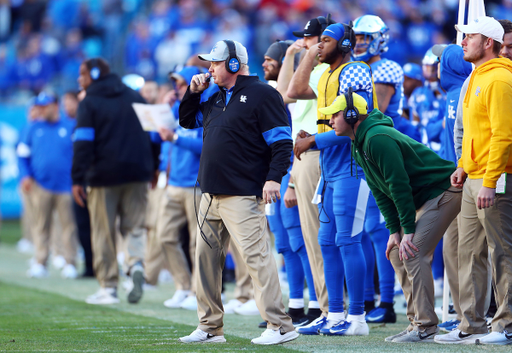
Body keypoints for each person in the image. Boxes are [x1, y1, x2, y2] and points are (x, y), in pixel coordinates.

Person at [177, 40, 298, 345]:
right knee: (204, 262)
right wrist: (193, 93)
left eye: (215, 64)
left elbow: (282, 143)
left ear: (233, 64)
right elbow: (187, 120)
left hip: (243, 194)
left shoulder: (263, 95)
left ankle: (280, 326)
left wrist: (274, 178)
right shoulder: (215, 97)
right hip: (210, 195)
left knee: (257, 260)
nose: (210, 69)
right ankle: (209, 327)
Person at [324, 90, 460, 343]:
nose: (330, 120)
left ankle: (426, 327)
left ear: (353, 115)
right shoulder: (359, 142)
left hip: (445, 189)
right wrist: (394, 231)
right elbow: (379, 190)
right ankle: (416, 321)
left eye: (335, 114)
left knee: (412, 251)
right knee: (398, 252)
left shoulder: (377, 138)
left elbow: (399, 186)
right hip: (428, 196)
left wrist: (408, 230)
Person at [291, 22, 376, 336]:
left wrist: (313, 141)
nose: (318, 46)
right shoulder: (325, 74)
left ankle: (357, 319)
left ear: (344, 44)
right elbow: (328, 120)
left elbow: (356, 124)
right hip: (330, 169)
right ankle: (335, 314)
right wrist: (313, 135)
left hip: (353, 168)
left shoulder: (355, 71)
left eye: (325, 40)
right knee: (326, 242)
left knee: (348, 241)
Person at [436, 16, 512, 346]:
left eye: (471, 36)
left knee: (502, 253)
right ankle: (471, 324)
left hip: (494, 179)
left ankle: (505, 324)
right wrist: (464, 166)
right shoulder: (477, 77)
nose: (464, 41)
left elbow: (503, 136)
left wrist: (490, 181)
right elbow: (475, 135)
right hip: (474, 177)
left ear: (489, 43)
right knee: (468, 253)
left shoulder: (498, 80)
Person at [72, 58, 160, 305]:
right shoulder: (136, 97)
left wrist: (78, 177)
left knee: (103, 231)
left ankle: (108, 287)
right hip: (139, 173)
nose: (79, 79)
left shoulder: (89, 102)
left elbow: (83, 143)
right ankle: (135, 264)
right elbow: (154, 136)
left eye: (82, 74)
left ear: (95, 74)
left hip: (102, 177)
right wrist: (153, 168)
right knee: (134, 226)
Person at [261, 40, 319, 327]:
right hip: (279, 171)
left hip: (295, 167)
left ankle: (318, 303)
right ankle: (295, 303)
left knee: (300, 239)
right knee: (283, 242)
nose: (266, 64)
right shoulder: (271, 90)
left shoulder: (303, 89)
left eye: (271, 59)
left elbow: (286, 97)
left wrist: (292, 54)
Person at [351, 14, 405, 323]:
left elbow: (375, 110)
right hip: (365, 149)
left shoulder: (385, 67)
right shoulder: (355, 68)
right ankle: (373, 299)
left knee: (378, 226)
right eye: (356, 37)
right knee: (366, 229)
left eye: (364, 37)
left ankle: (387, 301)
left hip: (385, 148)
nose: (359, 42)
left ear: (379, 38)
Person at [283, 15, 335, 324]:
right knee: (314, 235)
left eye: (311, 39)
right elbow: (283, 94)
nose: (304, 43)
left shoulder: (321, 72)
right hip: (305, 154)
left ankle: (330, 308)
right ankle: (329, 307)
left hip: (315, 154)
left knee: (319, 236)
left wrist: (305, 55)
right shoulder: (313, 69)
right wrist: (294, 54)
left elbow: (290, 91)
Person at [158, 66, 209, 311]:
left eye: (180, 84)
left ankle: (196, 292)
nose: (176, 88)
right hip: (174, 183)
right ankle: (182, 285)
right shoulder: (175, 109)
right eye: (175, 84)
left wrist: (175, 139)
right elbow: (154, 136)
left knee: (195, 243)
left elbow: (204, 146)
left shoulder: (201, 109)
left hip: (194, 185)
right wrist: (162, 105)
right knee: (164, 236)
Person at [430, 43, 473, 333]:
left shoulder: (460, 95)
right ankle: (461, 313)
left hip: (461, 182)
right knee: (454, 250)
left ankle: (468, 316)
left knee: (461, 251)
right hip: (454, 181)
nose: (436, 67)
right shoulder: (454, 94)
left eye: (440, 60)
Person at [18, 92, 78, 279]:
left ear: (55, 106)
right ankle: (40, 261)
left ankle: (70, 262)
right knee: (41, 225)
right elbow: (22, 154)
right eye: (40, 106)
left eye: (45, 106)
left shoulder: (69, 126)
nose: (42, 109)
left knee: (68, 226)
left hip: (66, 185)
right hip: (40, 184)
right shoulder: (33, 127)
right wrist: (25, 175)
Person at [62, 90, 94, 278]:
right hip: (80, 181)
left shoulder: (94, 122)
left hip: (94, 180)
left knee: (100, 227)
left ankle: (104, 266)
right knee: (82, 226)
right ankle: (90, 265)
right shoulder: (74, 126)